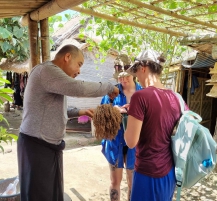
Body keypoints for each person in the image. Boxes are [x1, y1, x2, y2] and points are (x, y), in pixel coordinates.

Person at [17, 44, 119, 201]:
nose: (79, 72)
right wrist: (108, 87)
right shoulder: (47, 71)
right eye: (79, 64)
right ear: (67, 57)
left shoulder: (54, 79)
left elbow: (53, 109)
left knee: (51, 195)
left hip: (48, 147)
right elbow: (79, 88)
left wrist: (80, 112)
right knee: (40, 196)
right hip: (36, 147)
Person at [124, 49, 182, 201]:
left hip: (148, 174)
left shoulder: (140, 96)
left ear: (143, 68)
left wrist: (125, 120)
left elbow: (131, 142)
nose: (137, 79)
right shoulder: (176, 97)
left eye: (136, 74)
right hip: (169, 172)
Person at [100, 54, 142, 201]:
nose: (123, 80)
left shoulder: (142, 93)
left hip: (135, 144)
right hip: (115, 142)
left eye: (126, 77)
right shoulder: (112, 93)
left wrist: (133, 111)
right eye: (120, 78)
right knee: (114, 182)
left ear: (133, 74)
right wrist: (113, 111)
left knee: (133, 183)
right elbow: (102, 116)